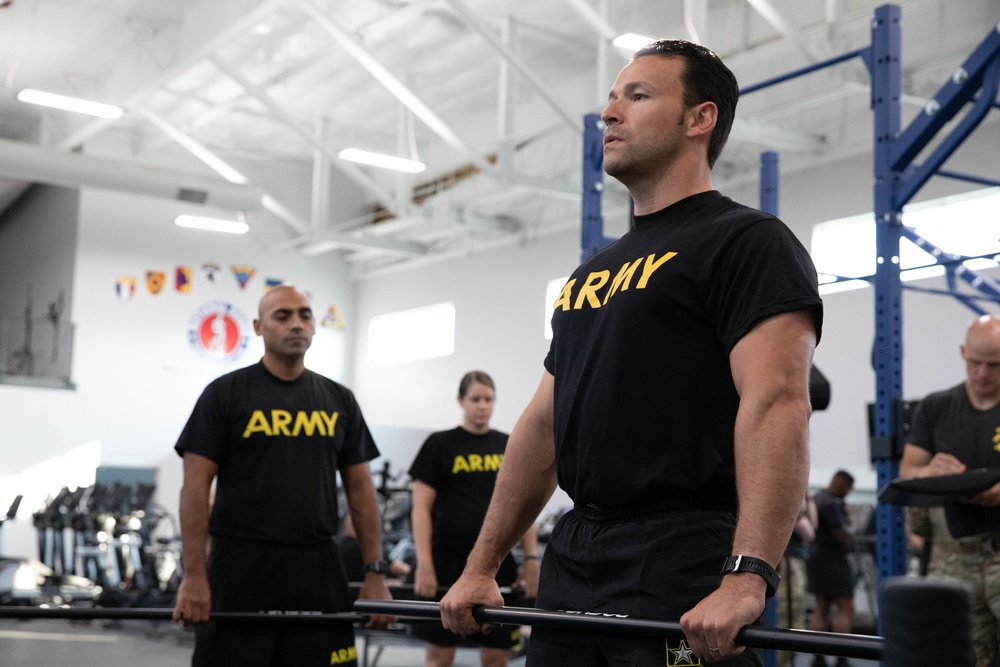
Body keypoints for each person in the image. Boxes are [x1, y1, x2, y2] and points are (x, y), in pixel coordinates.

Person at [439, 39, 823, 666]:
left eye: (637, 96)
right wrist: (482, 565)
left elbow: (777, 400)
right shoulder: (592, 273)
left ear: (699, 119)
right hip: (577, 550)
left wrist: (747, 575)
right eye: (611, 99)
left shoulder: (746, 241)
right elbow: (541, 425)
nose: (609, 113)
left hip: (680, 550)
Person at [171, 285, 393, 667]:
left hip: (318, 567)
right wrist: (193, 576)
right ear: (258, 326)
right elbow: (194, 489)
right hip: (241, 566)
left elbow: (360, 490)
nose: (297, 324)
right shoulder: (224, 395)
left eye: (305, 315)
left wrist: (375, 571)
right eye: (283, 316)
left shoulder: (339, 399)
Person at [409, 370, 540, 667]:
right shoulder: (439, 444)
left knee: (495, 659)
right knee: (439, 658)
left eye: (489, 399)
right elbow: (420, 509)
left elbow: (523, 505)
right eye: (475, 399)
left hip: (498, 563)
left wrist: (531, 559)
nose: (483, 405)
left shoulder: (509, 444)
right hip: (446, 562)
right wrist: (424, 564)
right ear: (460, 400)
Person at [900, 314, 1000, 667]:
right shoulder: (937, 407)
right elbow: (908, 473)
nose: (982, 374)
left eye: (994, 365)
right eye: (975, 363)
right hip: (954, 558)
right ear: (962, 352)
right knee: (959, 656)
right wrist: (930, 472)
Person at [806, 470, 855, 667]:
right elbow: (842, 534)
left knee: (821, 608)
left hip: (816, 558)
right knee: (845, 607)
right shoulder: (833, 503)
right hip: (834, 558)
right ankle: (842, 658)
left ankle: (818, 658)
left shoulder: (817, 499)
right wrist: (851, 521)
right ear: (843, 485)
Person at [776, 494, 817, 667]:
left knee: (795, 610)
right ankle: (780, 660)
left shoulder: (803, 501)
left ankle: (787, 659)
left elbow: (812, 528)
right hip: (786, 561)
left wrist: (809, 497)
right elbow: (808, 530)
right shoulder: (786, 502)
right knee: (786, 610)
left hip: (795, 560)